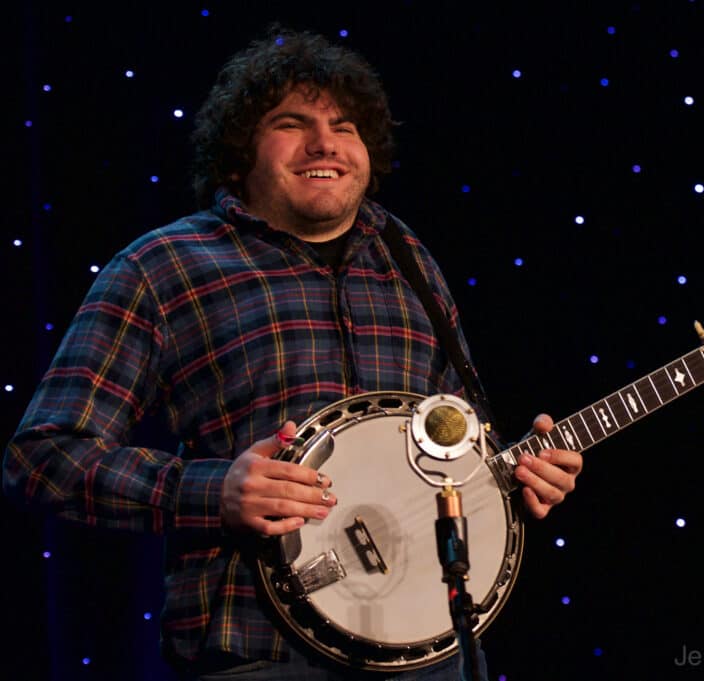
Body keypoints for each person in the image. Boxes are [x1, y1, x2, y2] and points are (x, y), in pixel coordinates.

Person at [3, 26, 582, 680]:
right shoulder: (163, 265)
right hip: (261, 654)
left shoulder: (408, 259)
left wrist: (516, 472)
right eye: (292, 123)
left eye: (346, 126)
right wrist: (212, 489)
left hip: (437, 651)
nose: (325, 144)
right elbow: (42, 457)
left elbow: (456, 435)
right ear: (237, 152)